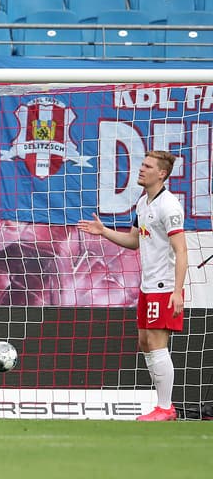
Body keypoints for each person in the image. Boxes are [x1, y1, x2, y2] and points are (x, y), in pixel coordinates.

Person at [77, 150, 188, 422]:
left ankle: (165, 408)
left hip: (163, 287)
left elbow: (181, 250)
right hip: (147, 285)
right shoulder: (143, 203)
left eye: (148, 166)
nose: (141, 169)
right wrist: (104, 232)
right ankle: (162, 406)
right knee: (145, 342)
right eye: (142, 164)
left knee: (156, 342)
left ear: (161, 173)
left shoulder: (169, 206)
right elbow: (134, 241)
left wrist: (177, 291)